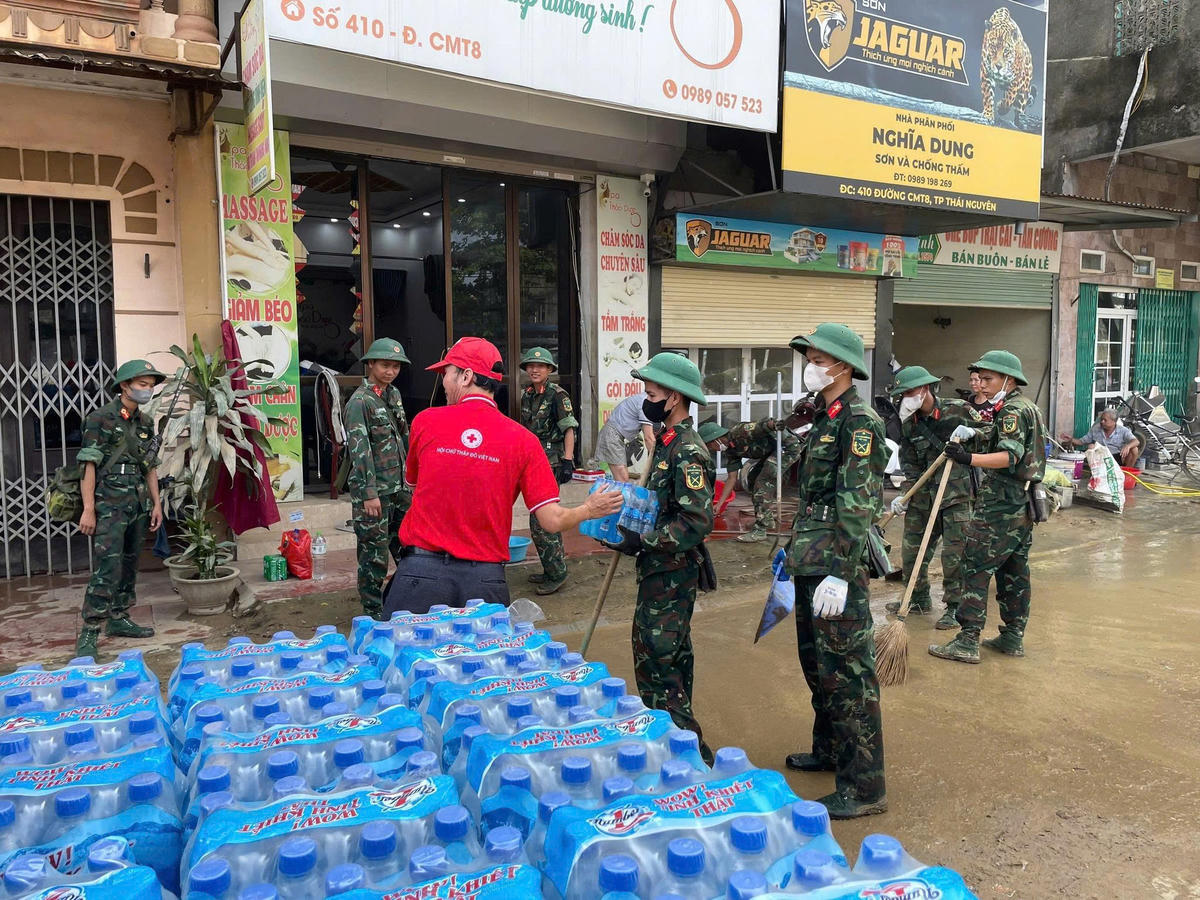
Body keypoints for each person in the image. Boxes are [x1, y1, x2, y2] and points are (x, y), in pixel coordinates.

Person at [382, 337, 621, 614]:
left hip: (420, 576)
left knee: (408, 656)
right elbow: (552, 520)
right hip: (484, 582)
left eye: (446, 373)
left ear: (466, 376)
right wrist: (589, 510)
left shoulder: (426, 421)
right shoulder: (525, 441)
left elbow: (414, 486)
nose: (444, 382)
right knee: (483, 657)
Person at [782, 323, 887, 820]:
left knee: (848, 675)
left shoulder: (859, 422)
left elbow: (858, 504)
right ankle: (828, 751)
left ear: (842, 365)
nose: (810, 364)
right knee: (818, 666)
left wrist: (843, 573)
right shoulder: (826, 416)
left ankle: (864, 788)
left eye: (817, 357)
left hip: (835, 566)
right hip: (812, 558)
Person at [602, 352, 715, 764]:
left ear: (673, 397)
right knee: (664, 660)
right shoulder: (666, 443)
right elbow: (660, 505)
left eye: (651, 393)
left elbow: (697, 520)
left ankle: (688, 756)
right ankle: (675, 744)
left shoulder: (687, 450)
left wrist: (644, 541)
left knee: (659, 662)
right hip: (658, 571)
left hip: (672, 573)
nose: (645, 399)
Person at [930, 350, 1045, 664]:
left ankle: (967, 639)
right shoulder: (1025, 407)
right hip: (1023, 504)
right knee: (1014, 571)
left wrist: (968, 458)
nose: (981, 385)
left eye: (989, 379)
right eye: (980, 379)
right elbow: (998, 440)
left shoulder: (1011, 412)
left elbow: (1008, 456)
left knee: (975, 566)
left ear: (1008, 379)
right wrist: (974, 437)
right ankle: (1012, 635)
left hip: (1000, 505)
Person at [75, 360, 166, 658]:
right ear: (124, 385)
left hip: (137, 503)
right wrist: (88, 509)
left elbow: (149, 466)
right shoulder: (100, 418)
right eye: (142, 384)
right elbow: (88, 464)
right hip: (109, 504)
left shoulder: (145, 422)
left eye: (150, 386)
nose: (147, 390)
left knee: (129, 563)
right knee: (107, 567)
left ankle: (119, 618)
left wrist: (157, 504)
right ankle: (90, 629)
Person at [885, 366, 986, 630]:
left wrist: (974, 434)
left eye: (908, 392)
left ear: (924, 388)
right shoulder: (909, 422)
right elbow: (910, 463)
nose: (905, 398)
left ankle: (955, 608)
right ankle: (917, 597)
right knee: (911, 551)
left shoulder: (959, 410)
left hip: (956, 497)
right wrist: (905, 494)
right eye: (902, 394)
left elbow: (991, 437)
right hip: (923, 497)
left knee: (954, 557)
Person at [345, 338, 412, 618]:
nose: (391, 371)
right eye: (385, 365)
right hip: (374, 493)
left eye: (396, 366)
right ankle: (372, 612)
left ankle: (405, 598)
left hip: (399, 487)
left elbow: (404, 437)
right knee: (374, 555)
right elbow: (360, 451)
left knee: (410, 546)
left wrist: (412, 479)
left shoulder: (392, 394)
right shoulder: (360, 402)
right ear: (370, 364)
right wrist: (369, 493)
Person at [518, 347, 579, 596]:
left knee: (543, 519)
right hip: (534, 461)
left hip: (552, 462)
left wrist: (567, 459)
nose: (534, 369)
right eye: (531, 366)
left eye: (540, 366)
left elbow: (569, 429)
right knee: (537, 517)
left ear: (550, 370)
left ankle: (557, 573)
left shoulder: (558, 395)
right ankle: (551, 567)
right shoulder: (527, 394)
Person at [700, 419, 802, 542]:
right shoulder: (730, 451)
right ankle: (767, 519)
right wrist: (719, 504)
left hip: (786, 447)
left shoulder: (740, 432)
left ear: (716, 439)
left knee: (762, 483)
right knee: (752, 480)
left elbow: (763, 425)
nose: (712, 450)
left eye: (710, 445)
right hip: (770, 452)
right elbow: (732, 478)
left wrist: (773, 424)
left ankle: (761, 529)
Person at [596, 393, 656, 482]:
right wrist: (657, 461)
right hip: (612, 434)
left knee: (622, 479)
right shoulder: (646, 403)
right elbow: (649, 438)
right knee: (622, 479)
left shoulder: (648, 399)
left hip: (615, 434)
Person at [1061, 408, 1140, 467]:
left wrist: (1128, 446)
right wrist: (1071, 439)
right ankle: (1095, 472)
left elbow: (1136, 441)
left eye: (1105, 420)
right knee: (1091, 446)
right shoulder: (1096, 428)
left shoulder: (1123, 430)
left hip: (1116, 457)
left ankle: (1127, 472)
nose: (1102, 422)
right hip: (1100, 458)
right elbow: (1082, 441)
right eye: (1101, 419)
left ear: (1113, 421)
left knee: (1134, 449)